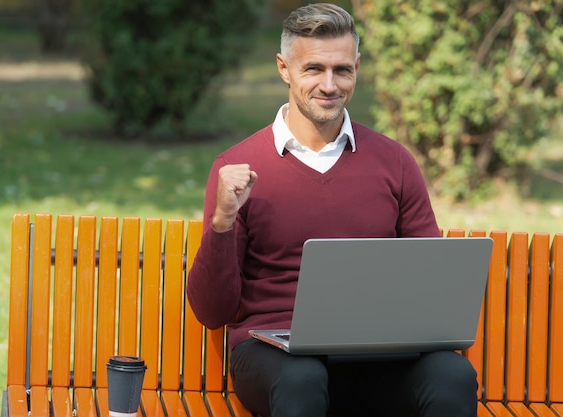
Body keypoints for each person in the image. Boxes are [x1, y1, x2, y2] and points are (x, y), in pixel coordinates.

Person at [187, 3, 478, 417]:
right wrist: (222, 222)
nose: (330, 85)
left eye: (342, 70)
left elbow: (429, 286)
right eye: (313, 69)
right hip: (277, 359)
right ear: (284, 68)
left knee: (452, 374)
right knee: (303, 378)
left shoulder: (394, 163)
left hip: (378, 354)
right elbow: (212, 312)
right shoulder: (238, 168)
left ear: (357, 67)